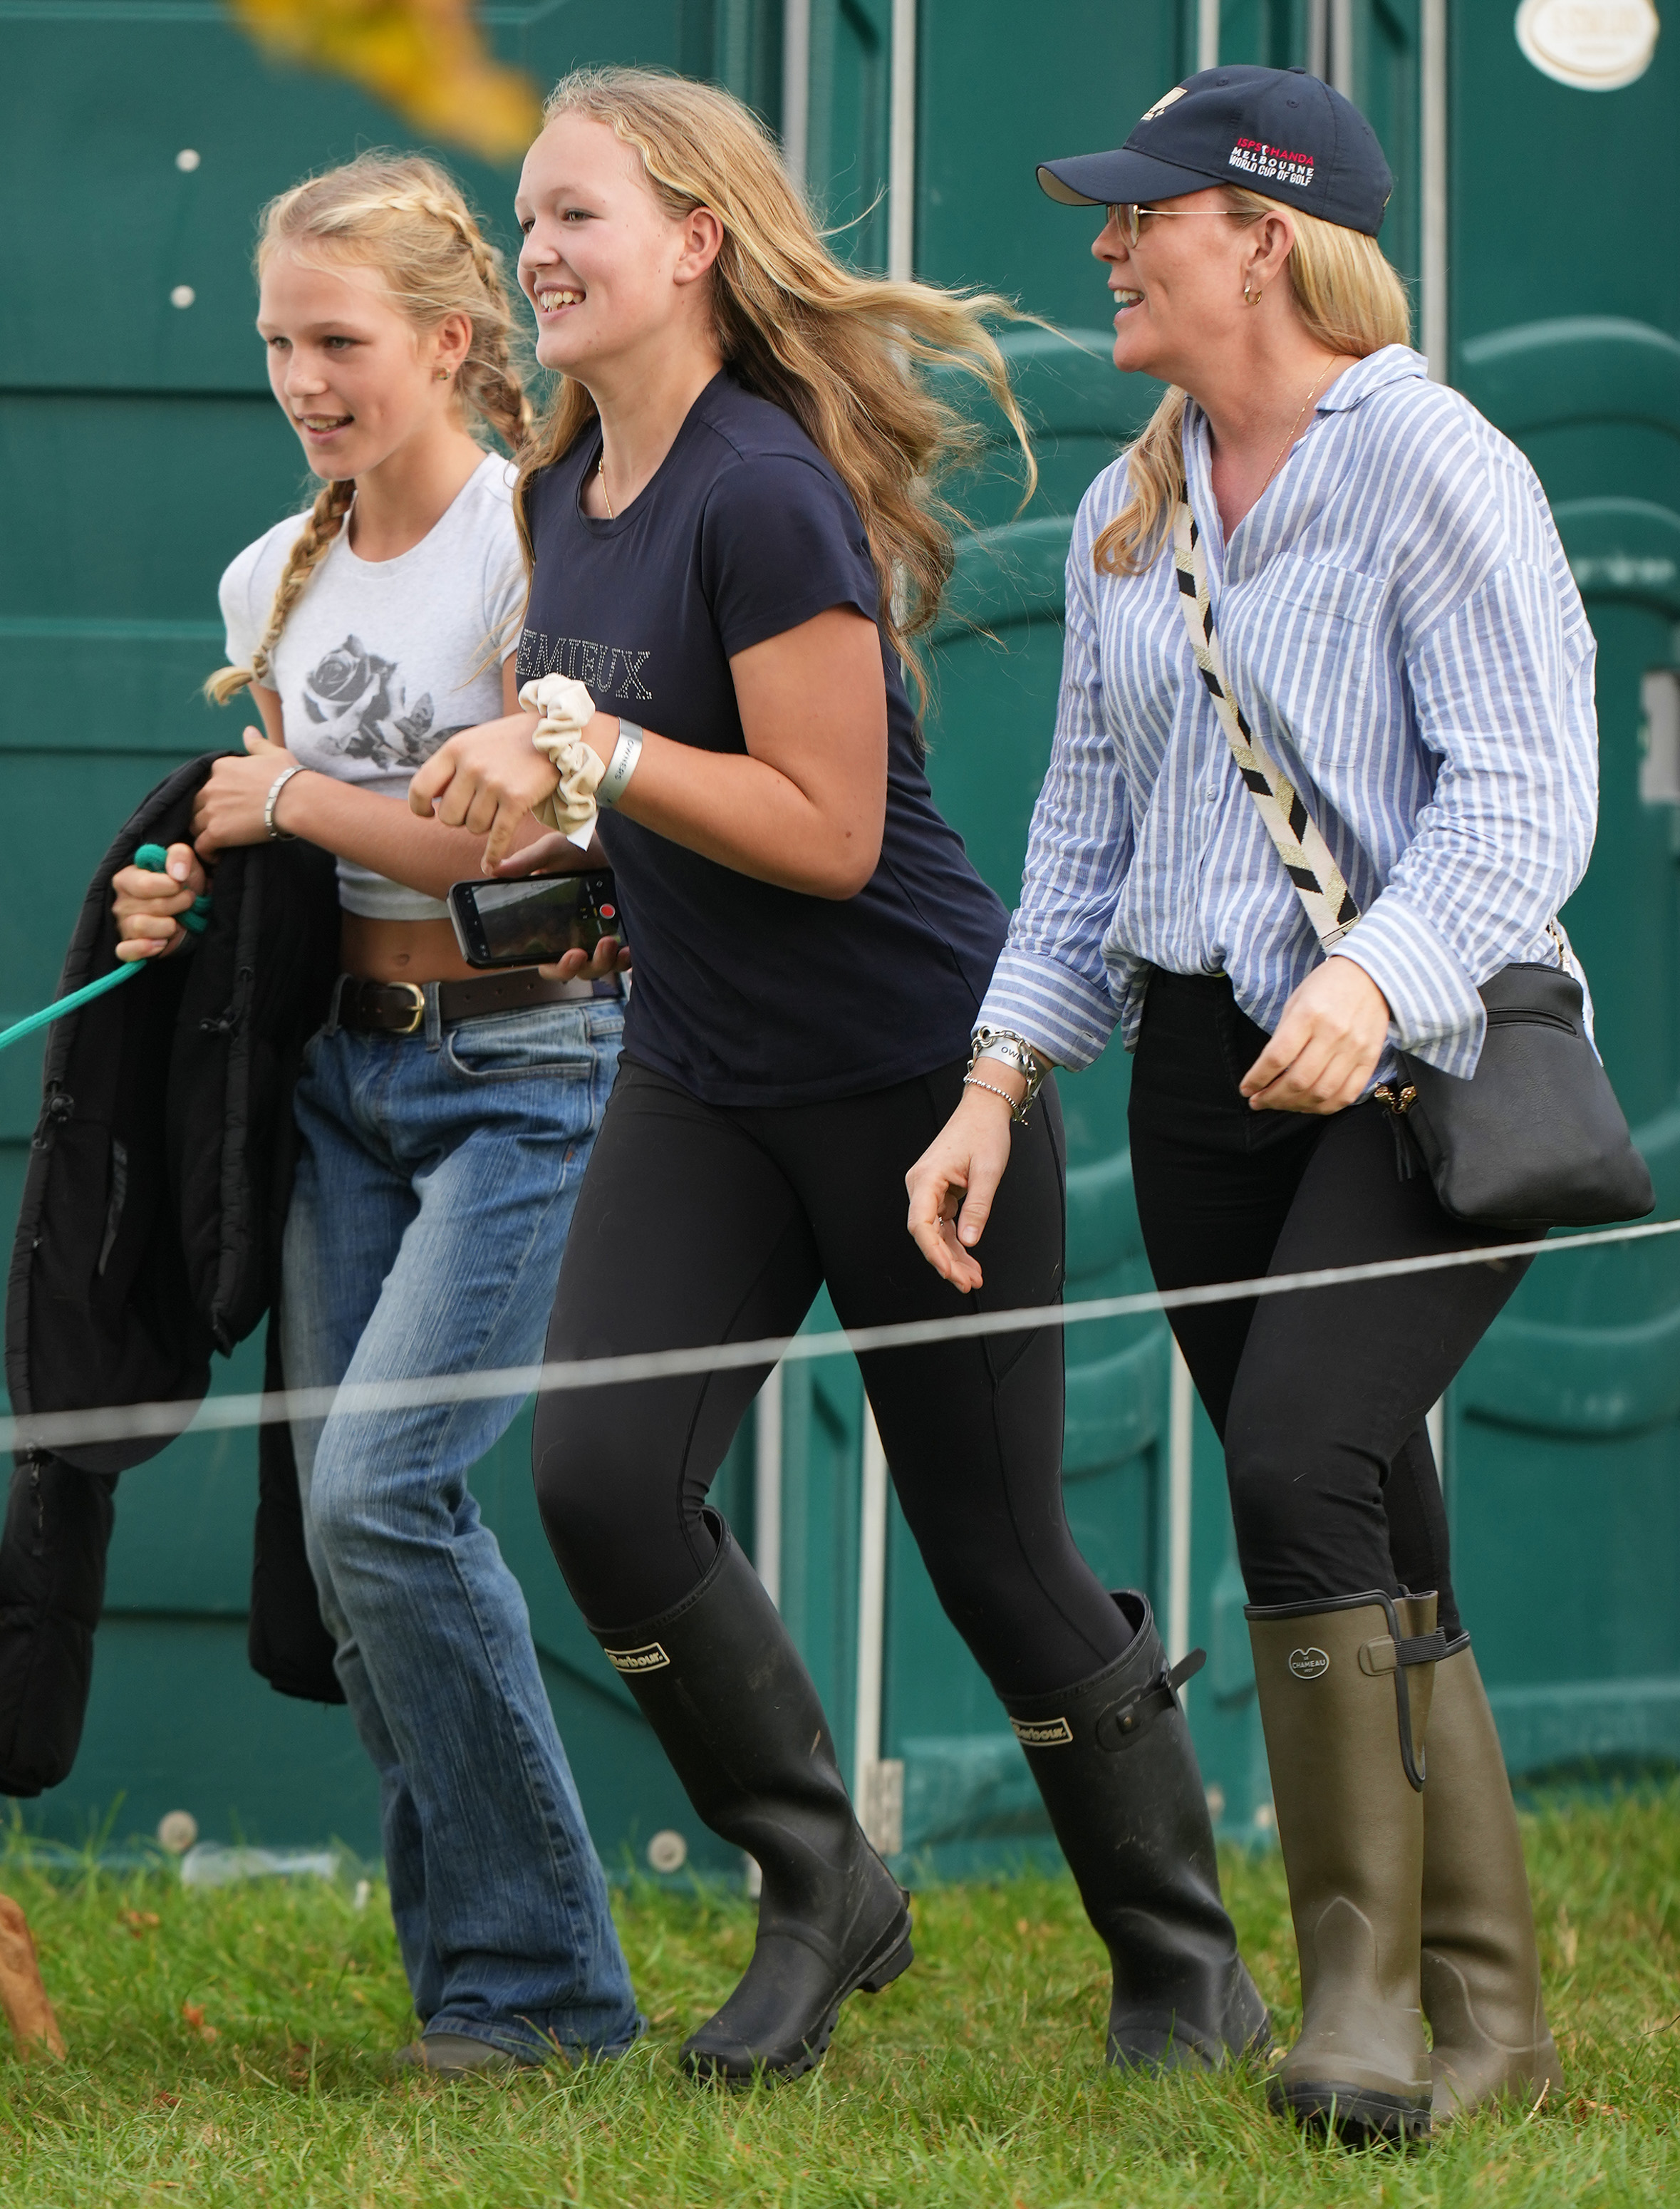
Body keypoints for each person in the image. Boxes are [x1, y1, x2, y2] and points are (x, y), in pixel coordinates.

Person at [407, 65, 1269, 2088]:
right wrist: (472, 821)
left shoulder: (761, 484)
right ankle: (821, 1881)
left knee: (995, 1554)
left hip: (912, 1080)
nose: (537, 248)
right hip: (700, 1075)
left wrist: (589, 762)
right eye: (526, 215)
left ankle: (1184, 1963)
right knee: (603, 1486)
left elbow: (827, 829)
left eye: (577, 214)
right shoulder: (558, 490)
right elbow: (637, 796)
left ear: (697, 239)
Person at [906, 66, 1585, 2143]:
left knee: (1300, 1461)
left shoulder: (1432, 463)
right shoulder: (1141, 507)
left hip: (1431, 1057)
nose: (1106, 244)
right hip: (1205, 1079)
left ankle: (1361, 1999)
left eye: (1144, 215)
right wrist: (996, 1080)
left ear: (1264, 234)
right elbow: (1085, 844)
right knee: (1365, 1507)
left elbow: (1529, 791)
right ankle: (1495, 2015)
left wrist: (1379, 975)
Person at [110, 154, 640, 2076]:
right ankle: (479, 1990)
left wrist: (296, 809)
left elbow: (541, 835)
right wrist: (182, 891)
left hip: (528, 1064)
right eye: (275, 341)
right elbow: (276, 845)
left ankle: (550, 1992)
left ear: (447, 339)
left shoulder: (534, 545)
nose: (302, 377)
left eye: (337, 340)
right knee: (351, 1543)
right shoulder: (274, 571)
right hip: (342, 1077)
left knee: (380, 1492)